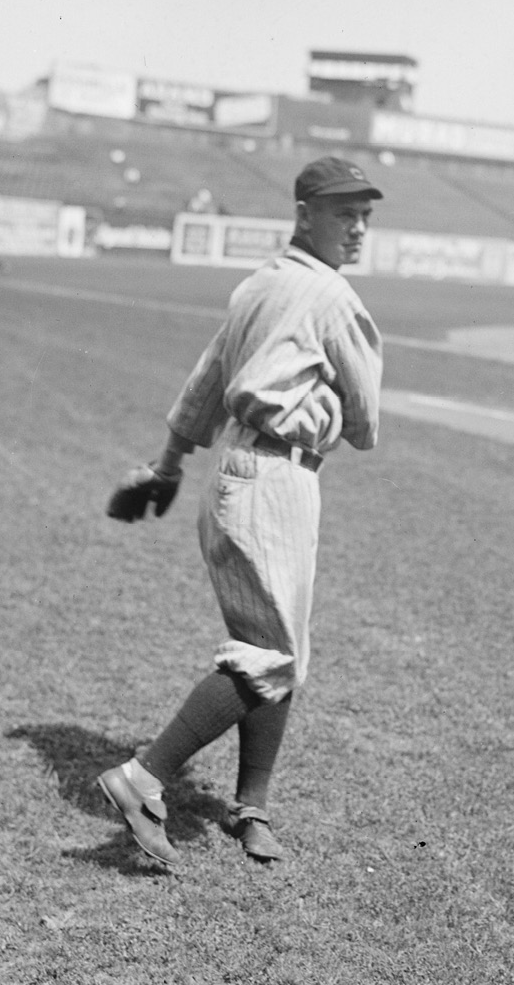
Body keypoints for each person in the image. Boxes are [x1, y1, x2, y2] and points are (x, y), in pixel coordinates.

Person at [98, 156, 384, 866]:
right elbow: (366, 424)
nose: (356, 228)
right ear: (303, 214)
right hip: (274, 479)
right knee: (271, 655)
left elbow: (204, 384)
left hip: (236, 470)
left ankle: (250, 807)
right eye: (342, 213)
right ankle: (142, 778)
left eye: (363, 215)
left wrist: (165, 466)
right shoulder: (331, 297)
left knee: (282, 646)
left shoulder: (256, 283)